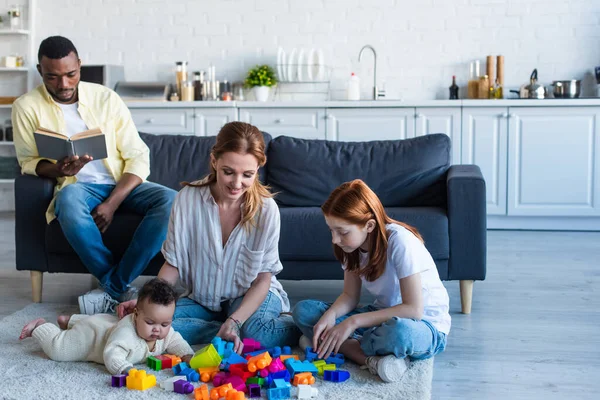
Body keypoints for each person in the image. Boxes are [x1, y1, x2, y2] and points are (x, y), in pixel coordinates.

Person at [12, 36, 176, 314]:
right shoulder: (26, 106)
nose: (63, 85)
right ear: (40, 71)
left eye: (70, 74)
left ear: (80, 66)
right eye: (52, 77)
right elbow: (28, 161)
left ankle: (112, 286)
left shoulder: (105, 98)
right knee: (68, 201)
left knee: (172, 200)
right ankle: (120, 287)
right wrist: (58, 169)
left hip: (123, 183)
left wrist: (112, 203)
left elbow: (138, 155)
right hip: (78, 187)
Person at [118, 121, 300, 353]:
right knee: (150, 325)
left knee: (256, 333)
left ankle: (301, 326)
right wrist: (150, 303)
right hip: (203, 300)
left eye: (247, 175)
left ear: (258, 170)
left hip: (251, 297)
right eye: (228, 172)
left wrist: (235, 320)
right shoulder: (187, 199)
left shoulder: (267, 210)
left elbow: (263, 279)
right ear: (214, 161)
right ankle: (223, 331)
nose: (236, 184)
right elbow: (173, 263)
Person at [292, 179, 450, 383]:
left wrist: (352, 322)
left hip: (424, 325)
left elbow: (413, 310)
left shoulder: (400, 242)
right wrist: (331, 316)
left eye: (342, 232)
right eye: (331, 230)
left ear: (369, 225)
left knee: (399, 334)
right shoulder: (350, 248)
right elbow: (349, 296)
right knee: (304, 311)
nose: (334, 240)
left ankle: (334, 345)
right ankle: (368, 357)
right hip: (380, 318)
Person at [19, 278, 194, 375]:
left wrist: (187, 355)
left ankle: (70, 320)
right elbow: (111, 355)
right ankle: (41, 325)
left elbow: (176, 341)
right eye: (150, 323)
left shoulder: (165, 332)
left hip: (104, 325)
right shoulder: (126, 334)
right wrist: (127, 369)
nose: (158, 329)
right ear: (136, 313)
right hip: (92, 338)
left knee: (104, 322)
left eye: (165, 324)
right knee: (59, 350)